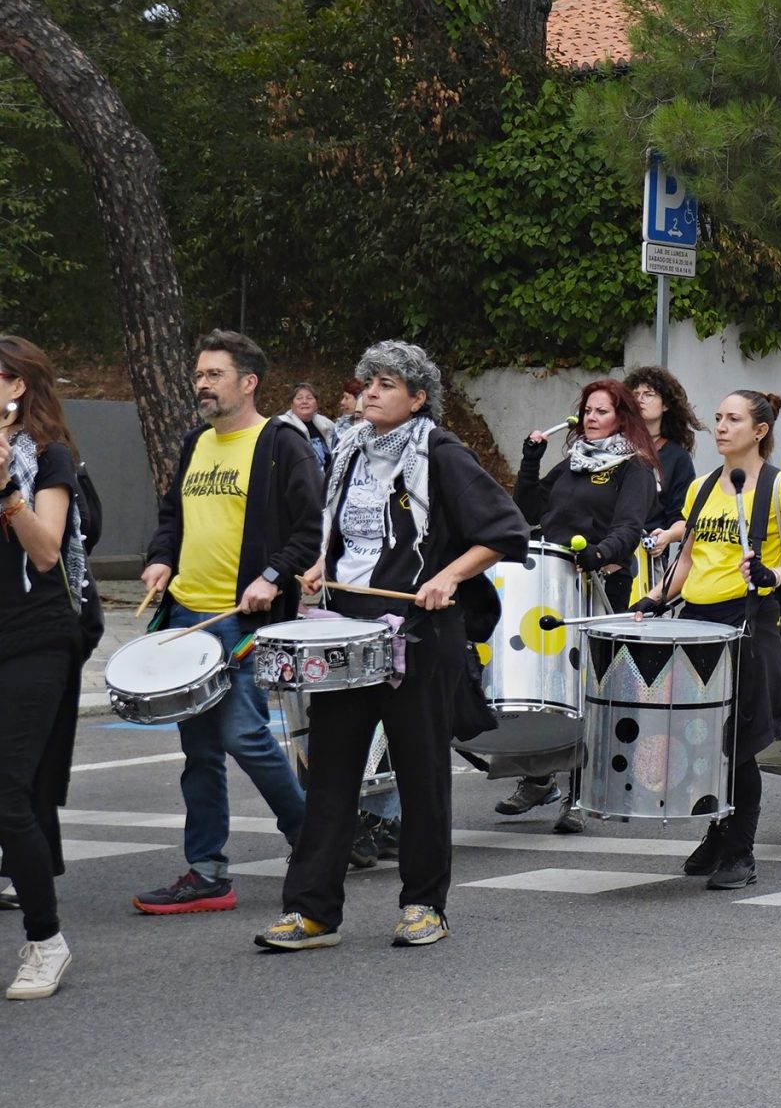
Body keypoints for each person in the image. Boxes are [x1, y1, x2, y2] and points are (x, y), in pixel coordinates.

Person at [260, 342, 527, 952]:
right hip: (344, 630)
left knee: (422, 772)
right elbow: (344, 531)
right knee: (329, 774)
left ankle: (423, 904)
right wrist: (318, 567)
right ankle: (311, 912)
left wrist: (448, 576)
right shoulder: (348, 450)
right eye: (368, 383)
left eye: (387, 384)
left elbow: (505, 530)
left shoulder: (440, 452)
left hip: (418, 636)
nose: (370, 392)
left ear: (418, 397)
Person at [133, 331, 321, 918]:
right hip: (188, 614)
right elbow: (172, 517)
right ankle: (209, 872)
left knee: (241, 734)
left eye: (214, 374)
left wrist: (271, 576)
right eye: (199, 375)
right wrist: (161, 558)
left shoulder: (280, 443)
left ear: (248, 383)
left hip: (240, 620)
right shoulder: (195, 444)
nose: (201, 385)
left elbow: (307, 531)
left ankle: (313, 840)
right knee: (199, 749)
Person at [634, 390, 781, 890]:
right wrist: (655, 598)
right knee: (705, 740)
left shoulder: (778, 487)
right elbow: (688, 559)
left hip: (749, 623)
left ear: (760, 430)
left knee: (739, 745)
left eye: (733, 420)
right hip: (699, 624)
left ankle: (740, 849)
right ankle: (719, 830)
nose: (721, 427)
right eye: (719, 418)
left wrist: (776, 574)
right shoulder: (701, 488)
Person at [497, 378, 659, 824]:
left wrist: (601, 553)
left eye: (601, 411)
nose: (591, 418)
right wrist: (530, 464)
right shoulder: (573, 462)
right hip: (551, 582)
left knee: (589, 690)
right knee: (545, 684)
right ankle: (539, 778)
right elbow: (528, 511)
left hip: (600, 582)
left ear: (621, 418)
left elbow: (629, 528)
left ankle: (581, 794)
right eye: (587, 410)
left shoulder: (635, 468)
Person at [0, 336, 89, 999]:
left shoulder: (50, 456)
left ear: (17, 388)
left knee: (11, 794)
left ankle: (46, 940)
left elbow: (46, 552)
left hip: (34, 638)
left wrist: (6, 486)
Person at [624, 366, 702, 529]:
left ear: (665, 405)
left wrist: (667, 536)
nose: (640, 400)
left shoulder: (677, 457)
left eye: (648, 394)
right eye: (635, 394)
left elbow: (681, 515)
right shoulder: (613, 444)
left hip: (647, 547)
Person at [279, 383, 331, 472]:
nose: (304, 401)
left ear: (316, 404)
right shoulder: (283, 426)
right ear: (292, 405)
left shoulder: (327, 425)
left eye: (309, 398)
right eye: (299, 398)